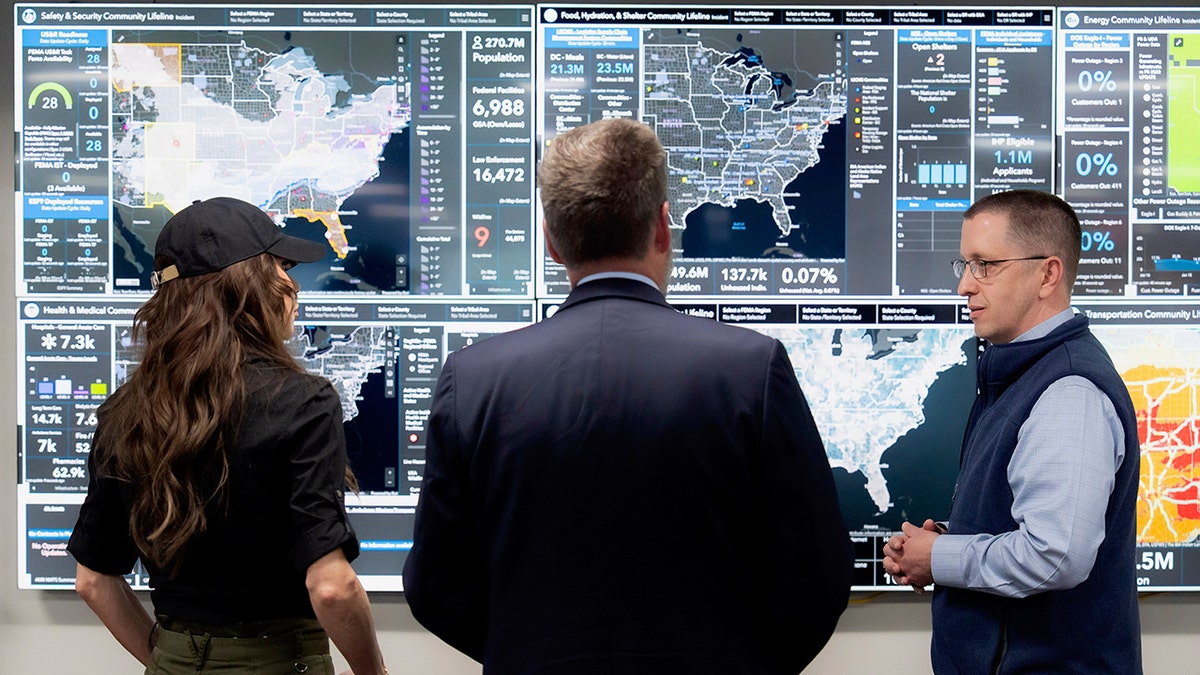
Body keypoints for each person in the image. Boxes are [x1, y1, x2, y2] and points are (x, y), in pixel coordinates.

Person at [402, 117, 853, 673]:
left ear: (550, 240)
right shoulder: (750, 369)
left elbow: (435, 585)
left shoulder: (473, 378)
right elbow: (820, 577)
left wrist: (526, 651)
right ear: (664, 227)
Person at [68, 197, 387, 675]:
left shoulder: (125, 411)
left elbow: (93, 581)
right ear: (249, 284)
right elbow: (332, 587)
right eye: (279, 266)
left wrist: (166, 658)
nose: (291, 282)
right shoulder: (305, 401)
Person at [882, 189, 1142, 673]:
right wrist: (941, 541)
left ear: (1048, 274)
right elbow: (1027, 520)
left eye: (985, 265)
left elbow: (1055, 555)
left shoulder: (1069, 391)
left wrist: (939, 558)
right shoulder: (1020, 372)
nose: (964, 285)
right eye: (963, 264)